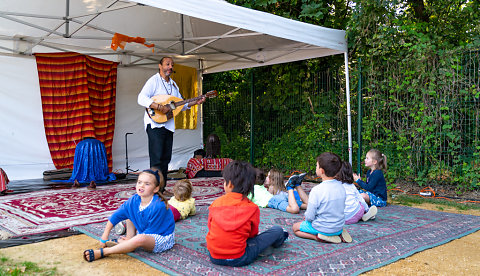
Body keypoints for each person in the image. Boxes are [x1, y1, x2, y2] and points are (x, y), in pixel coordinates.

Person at [137, 56, 205, 192]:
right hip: (155, 124)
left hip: (168, 125)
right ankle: (153, 190)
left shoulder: (173, 85)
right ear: (160, 66)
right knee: (157, 159)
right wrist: (158, 106)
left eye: (172, 65)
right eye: (167, 64)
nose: (170, 67)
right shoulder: (154, 81)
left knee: (166, 159)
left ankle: (161, 188)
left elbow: (181, 105)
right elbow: (141, 98)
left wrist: (196, 102)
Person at [206, 160, 289, 267]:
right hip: (240, 257)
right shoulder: (252, 208)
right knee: (277, 230)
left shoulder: (215, 203)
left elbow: (210, 227)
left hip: (214, 256)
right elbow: (252, 235)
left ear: (230, 184)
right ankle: (279, 239)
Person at [83, 169, 175, 262]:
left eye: (147, 184)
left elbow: (148, 234)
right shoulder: (134, 200)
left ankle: (105, 252)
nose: (141, 185)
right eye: (139, 182)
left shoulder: (158, 206)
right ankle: (129, 239)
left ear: (156, 188)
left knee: (140, 238)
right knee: (129, 213)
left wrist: (131, 243)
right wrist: (104, 235)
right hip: (143, 230)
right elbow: (116, 216)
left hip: (160, 237)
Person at [292, 152, 352, 243]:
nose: (316, 168)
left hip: (322, 228)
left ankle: (318, 237)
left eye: (317, 166)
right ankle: (338, 233)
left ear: (322, 171)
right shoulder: (342, 187)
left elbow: (310, 216)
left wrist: (307, 218)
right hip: (338, 227)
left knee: (295, 228)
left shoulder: (317, 190)